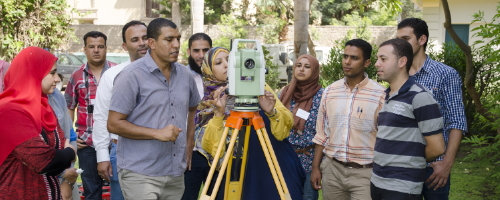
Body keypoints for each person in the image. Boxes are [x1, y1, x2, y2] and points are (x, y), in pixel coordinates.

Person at [107, 18, 200, 200]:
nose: (176, 45)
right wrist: (156, 133)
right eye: (169, 39)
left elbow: (193, 107)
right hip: (141, 174)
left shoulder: (185, 74)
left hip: (175, 173)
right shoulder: (130, 76)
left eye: (178, 39)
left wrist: (189, 142)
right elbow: (113, 124)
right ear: (152, 43)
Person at [200, 48, 305, 200]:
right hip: (235, 172)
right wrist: (218, 114)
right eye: (218, 62)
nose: (226, 65)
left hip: (272, 164)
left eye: (230, 60)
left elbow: (284, 130)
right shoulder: (210, 101)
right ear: (209, 70)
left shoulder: (259, 86)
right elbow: (214, 150)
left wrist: (271, 112)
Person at [396, 18, 467, 200]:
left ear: (422, 40)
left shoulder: (445, 74)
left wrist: (447, 163)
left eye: (405, 38)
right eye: (398, 39)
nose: (400, 44)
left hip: (433, 167)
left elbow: (457, 121)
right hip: (400, 166)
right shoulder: (395, 74)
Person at [310, 39, 386, 200]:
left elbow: (385, 137)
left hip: (366, 173)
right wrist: (316, 167)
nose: (347, 62)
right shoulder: (330, 91)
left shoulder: (380, 95)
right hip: (333, 170)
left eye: (354, 58)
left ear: (367, 63)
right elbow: (322, 134)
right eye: (345, 56)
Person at [370, 38, 445, 200]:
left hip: (402, 186)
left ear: (402, 61)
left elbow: (437, 148)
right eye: (377, 59)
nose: (376, 63)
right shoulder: (386, 95)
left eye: (383, 59)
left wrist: (407, 163)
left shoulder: (420, 96)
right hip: (377, 181)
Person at [0, 46, 76, 199]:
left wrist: (63, 155)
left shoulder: (44, 107)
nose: (57, 79)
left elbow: (59, 149)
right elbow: (44, 161)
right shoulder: (9, 111)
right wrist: (71, 152)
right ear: (33, 73)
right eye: (52, 73)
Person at [93, 20, 148, 200]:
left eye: (145, 37)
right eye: (135, 39)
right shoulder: (112, 76)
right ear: (125, 46)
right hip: (121, 151)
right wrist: (102, 156)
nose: (142, 43)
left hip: (159, 151)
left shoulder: (167, 73)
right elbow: (101, 117)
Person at [65, 31, 117, 200]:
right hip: (86, 144)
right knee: (91, 191)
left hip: (115, 142)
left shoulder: (118, 72)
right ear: (85, 49)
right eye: (92, 47)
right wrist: (71, 138)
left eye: (100, 46)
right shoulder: (76, 76)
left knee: (119, 188)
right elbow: (69, 107)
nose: (96, 50)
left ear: (106, 49)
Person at [278, 54, 323, 200]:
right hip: (285, 158)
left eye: (307, 66)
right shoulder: (285, 93)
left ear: (315, 71)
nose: (301, 69)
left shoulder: (321, 96)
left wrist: (316, 167)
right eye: (299, 65)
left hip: (309, 160)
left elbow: (322, 134)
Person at [181, 33, 213, 200]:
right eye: (196, 50)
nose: (201, 55)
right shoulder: (180, 76)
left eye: (205, 50)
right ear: (189, 52)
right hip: (191, 151)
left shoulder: (224, 77)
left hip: (217, 150)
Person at [48, 86, 80, 200]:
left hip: (65, 175)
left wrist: (67, 180)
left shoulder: (56, 95)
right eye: (51, 73)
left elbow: (70, 137)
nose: (57, 79)